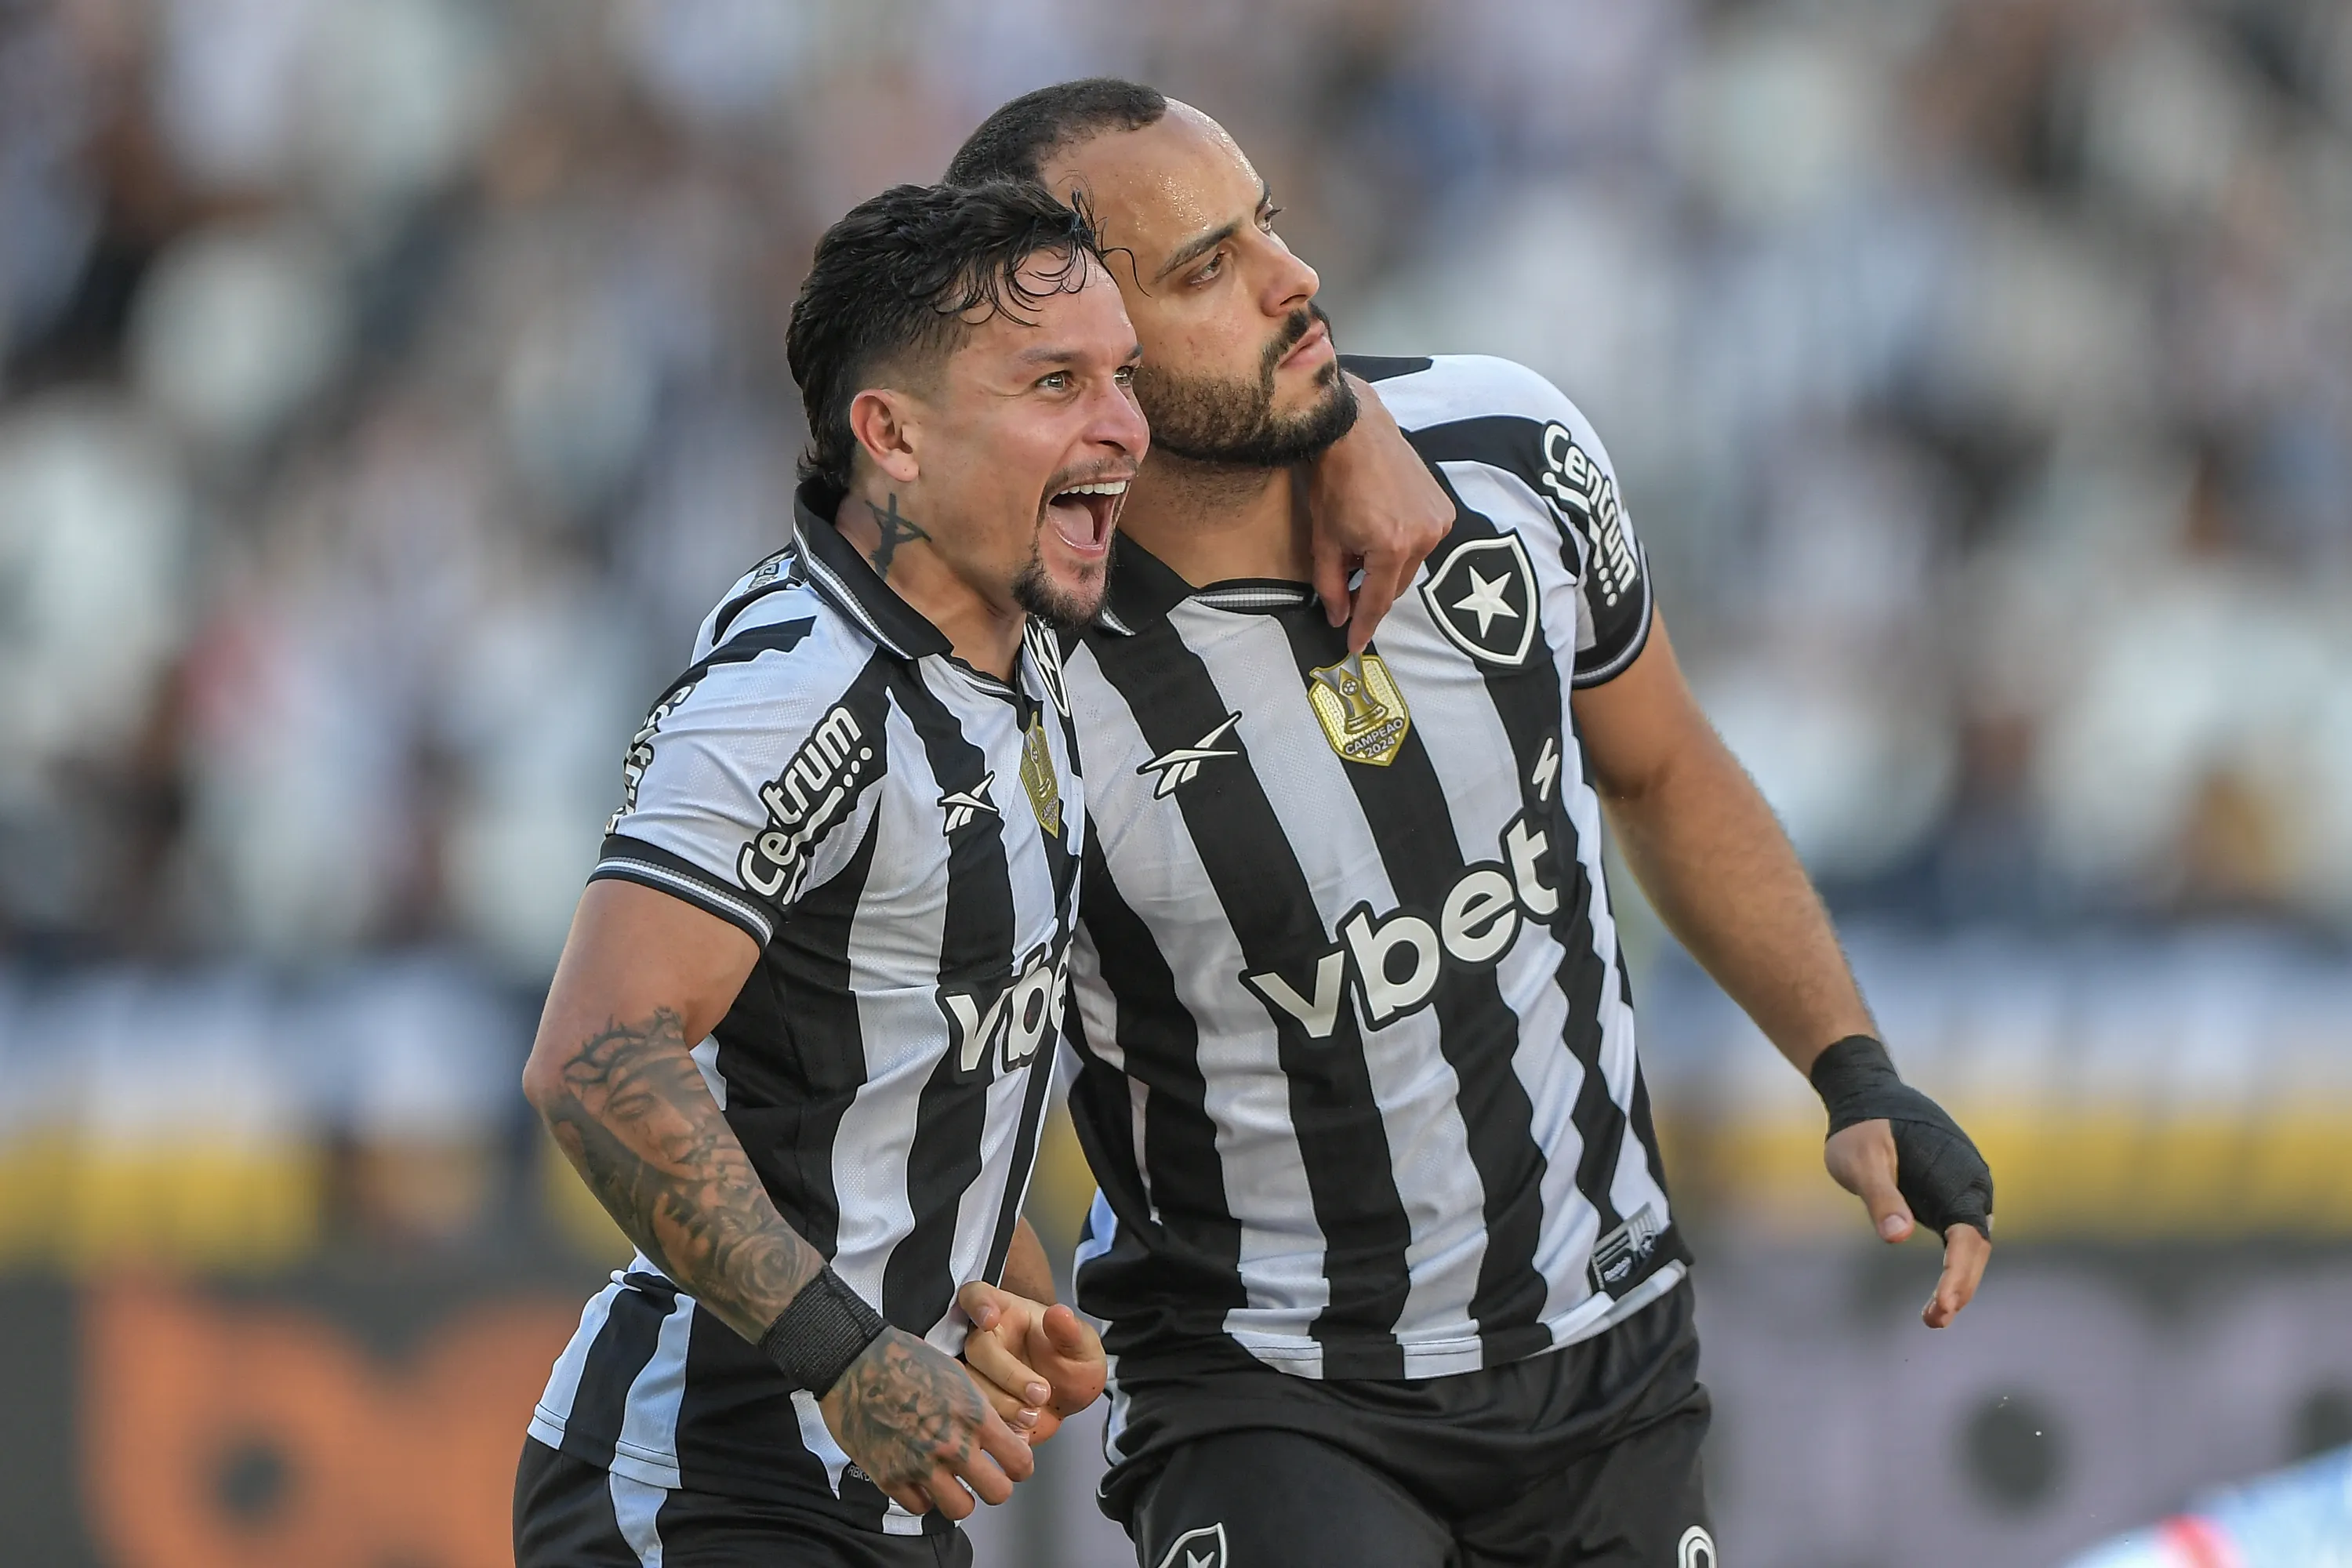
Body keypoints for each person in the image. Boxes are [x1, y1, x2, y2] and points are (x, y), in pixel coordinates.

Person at [945, 82, 1997, 1568]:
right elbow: (944, 1037)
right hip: (1270, 1391)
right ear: (1073, 366)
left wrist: (1857, 1069)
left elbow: (1664, 769)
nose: (1290, 277)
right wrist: (984, 1276)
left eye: (1268, 225)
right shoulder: (1008, 687)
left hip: (1607, 1345)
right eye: (1206, 270)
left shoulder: (1511, 450)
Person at [510, 178, 1145, 1568]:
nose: (1122, 427)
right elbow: (598, 1059)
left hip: (878, 1503)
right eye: (1057, 381)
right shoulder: (798, 692)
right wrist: (850, 1357)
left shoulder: (1019, 655)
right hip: (703, 1492)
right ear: (893, 436)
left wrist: (1001, 1282)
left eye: (1121, 377)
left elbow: (867, 1075)